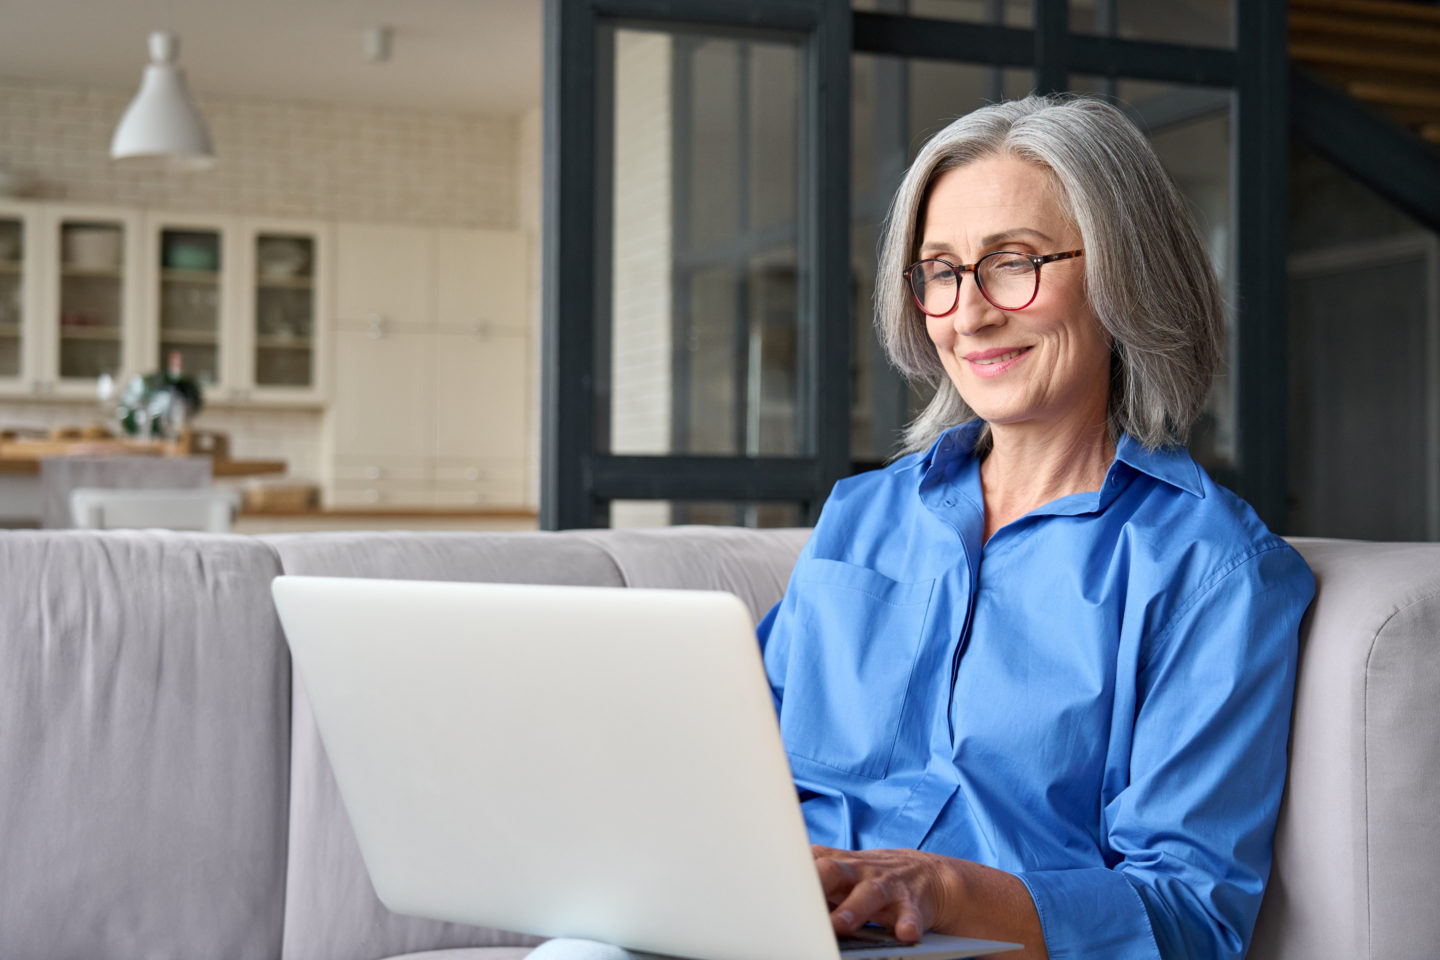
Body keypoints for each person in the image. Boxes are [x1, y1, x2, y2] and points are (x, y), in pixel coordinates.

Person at [536, 93, 1314, 960]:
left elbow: (1188, 918)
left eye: (1011, 262)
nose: (968, 312)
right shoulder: (861, 517)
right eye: (939, 271)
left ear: (1123, 272)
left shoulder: (1212, 571)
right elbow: (727, 755)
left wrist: (939, 888)